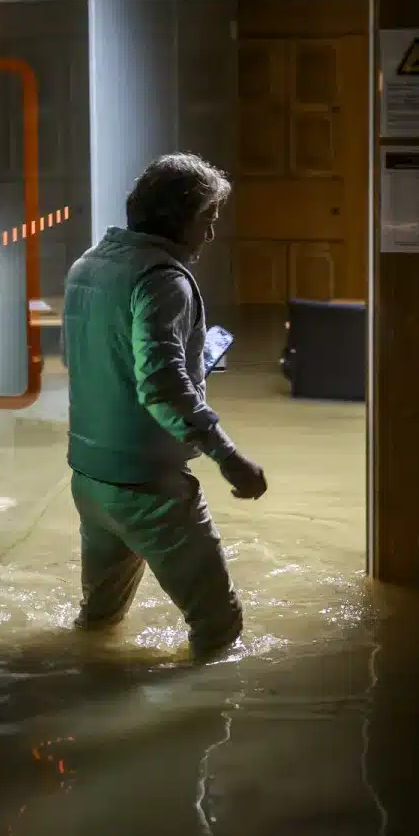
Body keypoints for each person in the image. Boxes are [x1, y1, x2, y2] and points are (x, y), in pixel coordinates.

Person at [62, 153, 266, 661]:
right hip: (148, 486)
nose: (211, 235)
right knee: (219, 629)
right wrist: (228, 457)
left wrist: (192, 366)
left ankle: (83, 693)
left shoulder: (89, 263)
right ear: (177, 218)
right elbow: (160, 384)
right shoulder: (163, 279)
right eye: (208, 220)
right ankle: (192, 731)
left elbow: (89, 358)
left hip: (90, 478)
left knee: (99, 621)